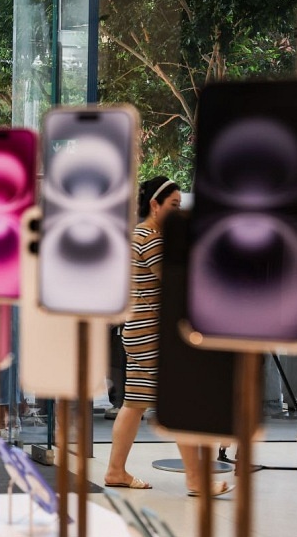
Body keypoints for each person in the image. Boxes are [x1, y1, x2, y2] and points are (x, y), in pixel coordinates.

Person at [104, 176, 232, 497]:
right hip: (150, 332)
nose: (177, 211)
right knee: (181, 400)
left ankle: (115, 470)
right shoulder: (149, 237)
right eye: (173, 206)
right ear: (154, 205)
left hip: (138, 330)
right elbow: (176, 281)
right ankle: (194, 480)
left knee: (133, 403)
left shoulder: (141, 234)